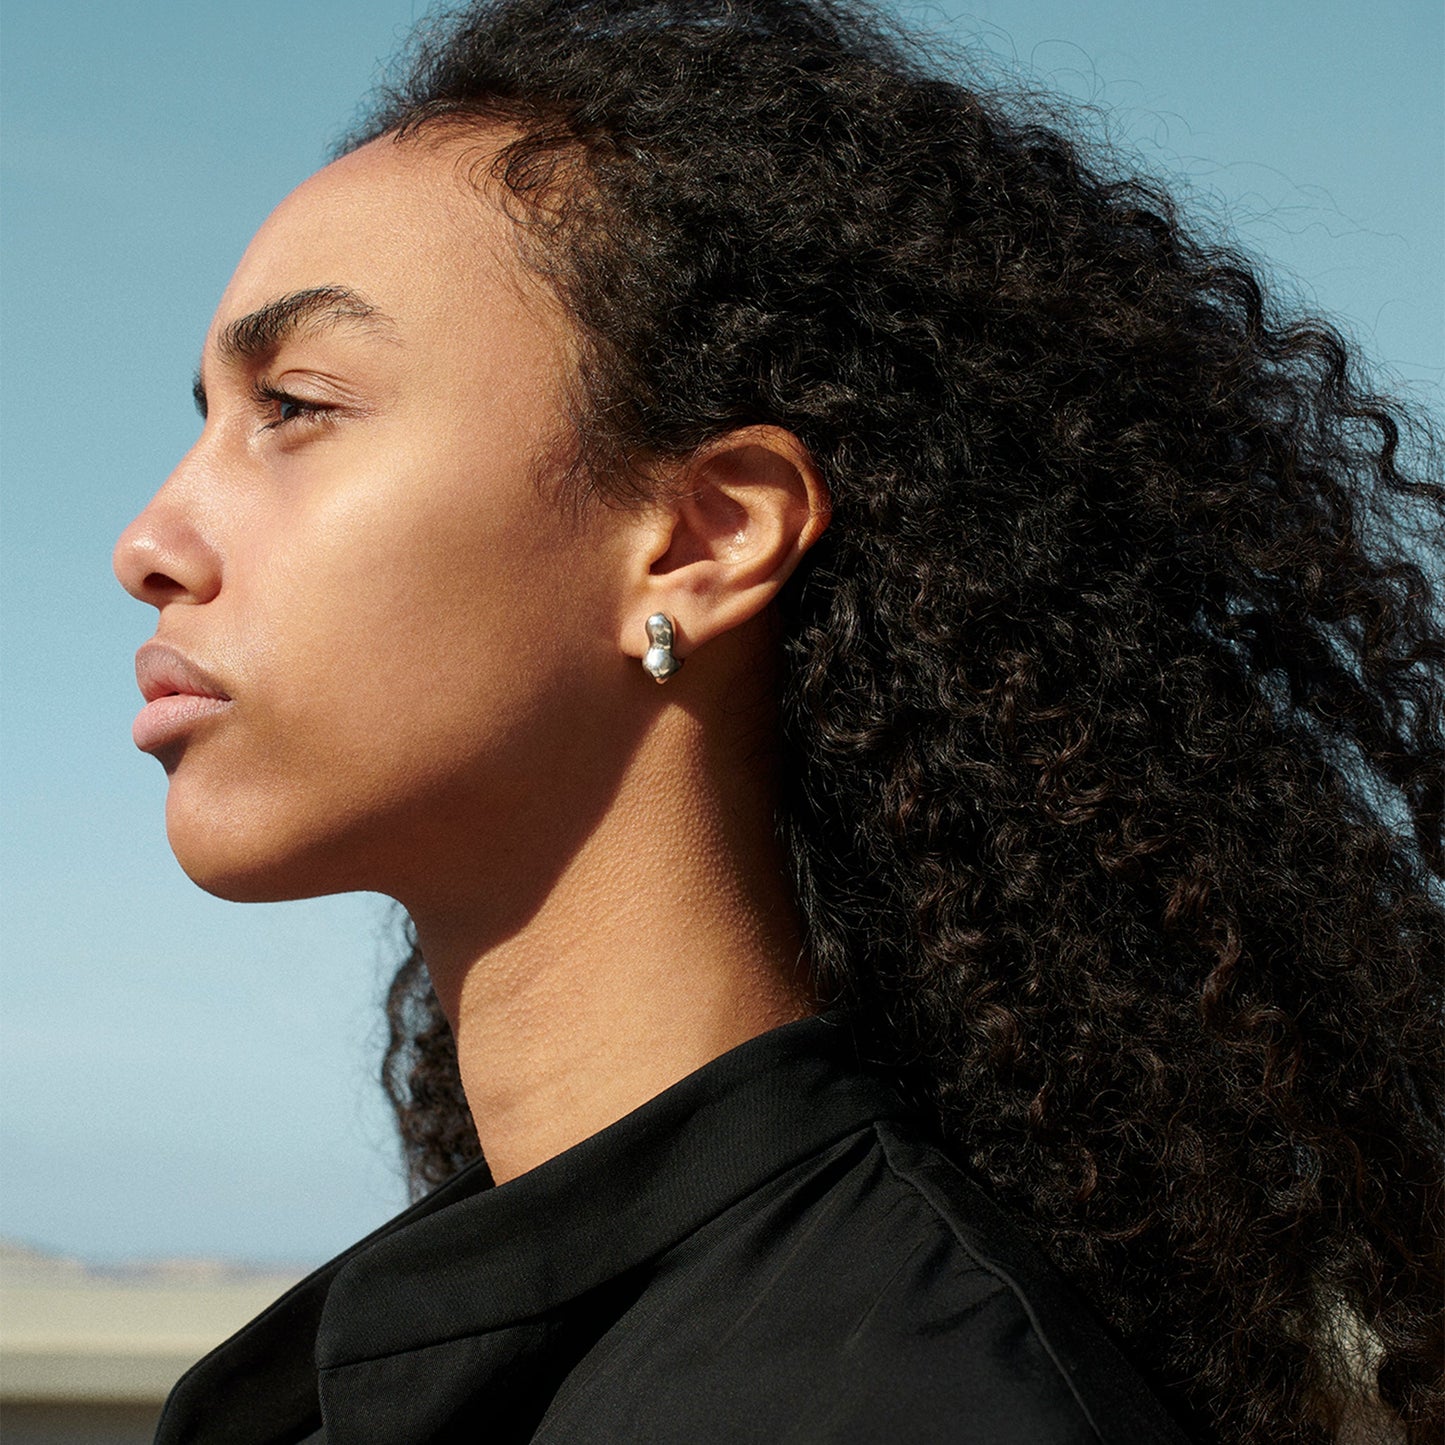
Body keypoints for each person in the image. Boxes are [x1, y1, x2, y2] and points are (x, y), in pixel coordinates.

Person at [112, 0, 1442, 1440]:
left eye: (295, 405)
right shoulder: (488, 1354)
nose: (151, 540)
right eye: (205, 417)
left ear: (703, 539)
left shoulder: (889, 1398)